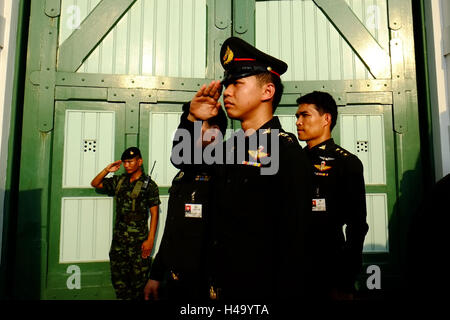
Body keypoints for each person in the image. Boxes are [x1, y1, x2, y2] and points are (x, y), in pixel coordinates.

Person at [156, 37, 312, 301]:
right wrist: (192, 119)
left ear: (267, 91)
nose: (227, 92)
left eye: (237, 83)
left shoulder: (285, 152)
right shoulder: (230, 148)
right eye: (227, 84)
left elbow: (295, 246)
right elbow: (183, 160)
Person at [144, 104, 228, 301]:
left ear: (214, 133)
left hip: (207, 285)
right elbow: (173, 229)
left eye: (196, 128)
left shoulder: (225, 172)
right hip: (177, 280)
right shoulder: (184, 175)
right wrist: (156, 275)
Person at [295, 91, 369, 300]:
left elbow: (357, 225)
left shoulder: (346, 162)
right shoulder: (292, 160)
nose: (298, 122)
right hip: (293, 268)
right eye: (297, 117)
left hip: (329, 268)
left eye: (305, 115)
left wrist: (346, 279)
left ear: (326, 119)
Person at [91, 147, 160, 300]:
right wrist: (107, 170)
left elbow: (154, 214)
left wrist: (150, 240)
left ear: (139, 161)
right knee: (119, 283)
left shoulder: (149, 185)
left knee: (138, 284)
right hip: (119, 242)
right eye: (125, 162)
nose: (127, 165)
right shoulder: (119, 181)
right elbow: (95, 183)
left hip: (138, 242)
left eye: (130, 161)